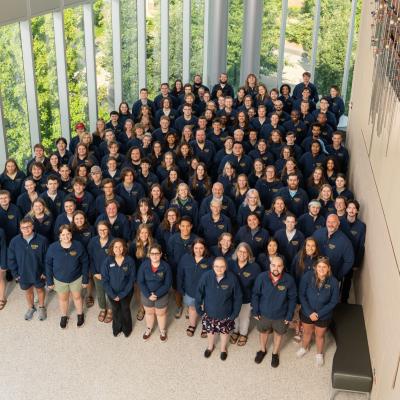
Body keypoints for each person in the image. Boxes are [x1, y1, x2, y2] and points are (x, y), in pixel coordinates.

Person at [251, 256, 297, 367]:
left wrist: (289, 315)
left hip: (281, 316)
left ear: (283, 267)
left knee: (278, 334)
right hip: (264, 314)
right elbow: (255, 294)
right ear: (270, 265)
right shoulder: (261, 277)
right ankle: (262, 350)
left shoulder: (289, 280)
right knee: (263, 332)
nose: (276, 268)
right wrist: (255, 311)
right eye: (273, 265)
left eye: (279, 266)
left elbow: (292, 299)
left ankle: (275, 353)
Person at [195, 257, 242, 360]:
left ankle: (223, 349)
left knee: (224, 333)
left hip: (226, 314)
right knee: (210, 331)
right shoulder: (206, 276)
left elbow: (238, 297)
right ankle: (210, 346)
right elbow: (199, 293)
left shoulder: (232, 278)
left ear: (226, 267)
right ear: (213, 266)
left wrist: (234, 314)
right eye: (216, 266)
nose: (219, 269)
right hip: (209, 313)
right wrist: (199, 310)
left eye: (222, 266)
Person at [297, 257, 339, 366]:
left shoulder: (333, 282)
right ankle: (304, 348)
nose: (321, 269)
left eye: (324, 267)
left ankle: (319, 355)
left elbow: (333, 302)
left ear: (328, 268)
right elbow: (302, 295)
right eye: (319, 266)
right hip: (307, 312)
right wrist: (310, 312)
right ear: (315, 267)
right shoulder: (307, 277)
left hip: (324, 315)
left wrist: (319, 314)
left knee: (319, 336)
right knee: (307, 332)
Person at [46, 224, 89, 329]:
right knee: (63, 299)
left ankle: (80, 314)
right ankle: (64, 316)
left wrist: (85, 279)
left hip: (76, 278)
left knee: (77, 297)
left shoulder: (78, 246)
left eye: (68, 234)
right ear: (59, 236)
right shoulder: (53, 248)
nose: (66, 237)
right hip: (60, 280)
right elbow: (48, 264)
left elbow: (85, 262)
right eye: (63, 234)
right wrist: (49, 281)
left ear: (71, 235)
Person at [7, 218, 48, 320]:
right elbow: (11, 259)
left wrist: (45, 272)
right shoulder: (15, 241)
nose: (26, 229)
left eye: (28, 226)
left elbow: (47, 258)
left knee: (40, 290)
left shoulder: (42, 240)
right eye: (23, 227)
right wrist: (15, 274)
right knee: (28, 291)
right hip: (23, 274)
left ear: (33, 227)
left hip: (38, 273)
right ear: (20, 228)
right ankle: (31, 307)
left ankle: (42, 307)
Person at [177, 238, 213, 338]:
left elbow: (214, 277)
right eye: (196, 248)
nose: (198, 250)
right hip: (190, 291)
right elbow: (180, 274)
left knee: (205, 310)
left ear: (205, 249)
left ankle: (205, 326)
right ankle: (192, 325)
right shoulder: (185, 258)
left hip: (205, 292)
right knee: (192, 308)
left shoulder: (210, 260)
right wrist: (181, 288)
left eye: (201, 248)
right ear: (192, 248)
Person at [101, 239, 136, 337]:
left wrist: (121, 295)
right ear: (112, 248)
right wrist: (112, 294)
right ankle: (116, 328)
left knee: (125, 309)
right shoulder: (107, 261)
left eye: (120, 246)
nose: (118, 249)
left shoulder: (129, 261)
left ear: (124, 248)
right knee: (115, 309)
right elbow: (104, 279)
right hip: (112, 292)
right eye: (116, 247)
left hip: (126, 292)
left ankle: (127, 329)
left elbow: (131, 279)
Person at [138, 243, 172, 342]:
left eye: (157, 253)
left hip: (161, 294)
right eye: (152, 254)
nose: (154, 256)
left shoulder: (166, 266)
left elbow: (167, 284)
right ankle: (148, 328)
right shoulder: (144, 265)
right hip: (146, 293)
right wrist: (148, 294)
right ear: (149, 254)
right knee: (149, 312)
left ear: (161, 254)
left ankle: (162, 331)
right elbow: (140, 281)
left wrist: (156, 294)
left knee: (161, 313)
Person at [229, 243, 261, 347]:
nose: (242, 254)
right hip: (232, 297)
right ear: (236, 252)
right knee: (234, 316)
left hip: (246, 298)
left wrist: (254, 300)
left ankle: (243, 334)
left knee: (244, 317)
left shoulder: (255, 267)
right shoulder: (230, 263)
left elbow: (257, 286)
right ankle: (235, 331)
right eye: (240, 251)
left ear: (248, 254)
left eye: (245, 252)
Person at [313, 214, 354, 282]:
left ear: (338, 223)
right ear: (326, 222)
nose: (330, 224)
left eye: (333, 222)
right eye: (328, 222)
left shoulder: (344, 241)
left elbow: (349, 261)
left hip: (332, 277)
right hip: (315, 274)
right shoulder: (318, 233)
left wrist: (338, 275)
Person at [339, 200, 366, 303]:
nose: (351, 210)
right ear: (346, 209)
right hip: (339, 256)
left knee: (347, 280)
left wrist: (357, 263)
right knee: (337, 279)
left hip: (351, 258)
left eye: (354, 208)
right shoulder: (340, 222)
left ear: (357, 211)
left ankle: (344, 300)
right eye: (349, 208)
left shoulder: (361, 226)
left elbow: (361, 245)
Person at [87, 221, 114, 323]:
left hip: (111, 274)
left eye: (105, 229)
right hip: (97, 273)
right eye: (100, 230)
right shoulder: (93, 241)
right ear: (97, 231)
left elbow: (117, 258)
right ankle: (103, 308)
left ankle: (111, 309)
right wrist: (95, 272)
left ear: (108, 230)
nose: (102, 231)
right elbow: (90, 258)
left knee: (110, 292)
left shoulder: (113, 241)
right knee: (100, 292)